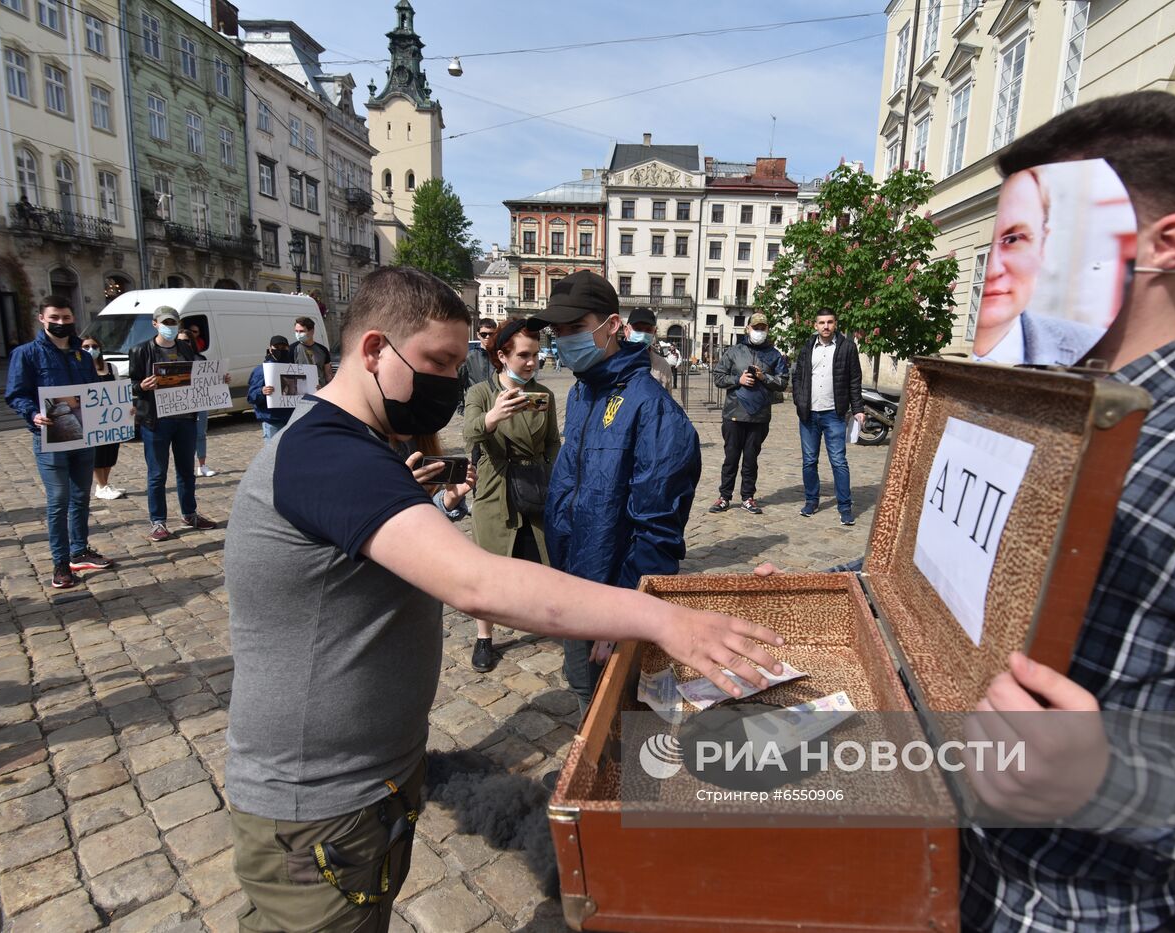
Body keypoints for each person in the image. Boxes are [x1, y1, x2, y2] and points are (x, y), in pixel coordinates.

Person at [775, 91, 1175, 931]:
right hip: (927, 869)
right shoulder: (1006, 407)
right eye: (1001, 235)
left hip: (1068, 907)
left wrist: (1106, 773)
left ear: (1163, 244)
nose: (997, 265)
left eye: (1028, 236)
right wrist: (817, 595)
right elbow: (918, 581)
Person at [222, 265, 783, 932]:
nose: (449, 380)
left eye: (455, 363)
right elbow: (477, 583)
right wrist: (663, 618)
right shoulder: (330, 454)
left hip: (367, 785)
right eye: (438, 362)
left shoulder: (363, 447)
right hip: (320, 802)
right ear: (373, 349)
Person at [528, 270, 703, 713]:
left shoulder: (652, 407)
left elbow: (658, 530)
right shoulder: (582, 392)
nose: (565, 340)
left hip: (613, 597)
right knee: (582, 684)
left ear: (611, 326)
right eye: (558, 331)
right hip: (573, 581)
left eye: (576, 327)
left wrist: (625, 613)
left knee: (615, 703)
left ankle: (608, 757)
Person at [462, 318, 560, 673]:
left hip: (535, 485)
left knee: (542, 559)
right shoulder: (481, 393)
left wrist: (555, 476)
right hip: (497, 486)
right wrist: (493, 417)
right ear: (502, 356)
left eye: (536, 354)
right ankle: (484, 637)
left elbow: (552, 442)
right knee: (488, 567)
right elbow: (470, 433)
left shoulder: (543, 395)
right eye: (523, 355)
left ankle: (550, 621)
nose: (532, 362)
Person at [4, 295, 115, 588]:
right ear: (42, 318)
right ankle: (61, 563)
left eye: (66, 318)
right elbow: (16, 394)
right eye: (54, 318)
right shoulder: (27, 354)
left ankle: (79, 550)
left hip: (84, 436)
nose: (61, 323)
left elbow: (94, 393)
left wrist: (117, 411)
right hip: (50, 438)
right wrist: (33, 414)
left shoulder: (82, 355)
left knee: (80, 497)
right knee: (58, 500)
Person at [974, 167, 1106, 365]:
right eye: (987, 247)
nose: (992, 270)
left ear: (1042, 245)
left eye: (1013, 239)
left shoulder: (1093, 348)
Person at [129, 305, 219, 542]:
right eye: (165, 323)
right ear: (155, 324)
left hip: (185, 419)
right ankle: (158, 521)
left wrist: (218, 380)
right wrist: (141, 386)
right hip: (156, 421)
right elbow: (131, 384)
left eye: (173, 323)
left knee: (186, 471)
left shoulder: (186, 348)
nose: (170, 327)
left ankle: (189, 513)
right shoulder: (140, 350)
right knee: (157, 473)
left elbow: (199, 376)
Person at [708, 312, 789, 515]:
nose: (759, 331)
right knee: (731, 458)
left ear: (767, 330)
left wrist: (764, 377)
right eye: (756, 328)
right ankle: (724, 497)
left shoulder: (774, 355)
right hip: (734, 414)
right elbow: (718, 377)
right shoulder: (734, 352)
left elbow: (783, 382)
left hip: (759, 416)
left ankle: (748, 497)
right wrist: (738, 380)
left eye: (763, 328)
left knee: (751, 459)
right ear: (748, 329)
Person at [789, 309, 863, 526]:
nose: (826, 326)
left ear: (835, 324)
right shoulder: (807, 348)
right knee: (809, 461)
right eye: (822, 322)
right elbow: (798, 376)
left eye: (830, 322)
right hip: (809, 414)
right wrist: (799, 400)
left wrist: (858, 409)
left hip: (834, 413)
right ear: (816, 325)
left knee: (839, 461)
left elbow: (854, 380)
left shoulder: (847, 347)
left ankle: (845, 507)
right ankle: (811, 501)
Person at [81, 334, 126, 500]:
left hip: (111, 417)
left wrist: (127, 407)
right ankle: (100, 485)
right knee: (98, 454)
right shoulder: (80, 369)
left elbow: (120, 389)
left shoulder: (111, 367)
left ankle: (105, 483)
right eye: (86, 347)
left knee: (110, 452)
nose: (91, 349)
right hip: (92, 419)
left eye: (94, 346)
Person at [178, 328, 217, 478]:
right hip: (180, 403)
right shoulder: (172, 359)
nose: (183, 343)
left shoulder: (200, 358)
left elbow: (209, 379)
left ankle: (202, 465)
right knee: (182, 437)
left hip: (199, 401)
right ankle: (186, 466)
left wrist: (221, 380)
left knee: (200, 434)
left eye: (186, 341)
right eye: (180, 341)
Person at [246, 335, 295, 443]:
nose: (280, 350)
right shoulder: (262, 370)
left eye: (283, 347)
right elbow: (251, 397)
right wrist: (261, 391)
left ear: (288, 348)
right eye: (276, 347)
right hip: (273, 421)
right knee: (273, 452)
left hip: (292, 419)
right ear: (270, 349)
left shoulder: (294, 368)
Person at [622, 306, 674, 390]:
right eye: (638, 329)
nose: (643, 335)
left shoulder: (662, 365)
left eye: (648, 329)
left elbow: (666, 396)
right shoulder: (613, 359)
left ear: (654, 332)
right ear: (626, 330)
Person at [458, 317, 496, 410]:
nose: (487, 337)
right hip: (475, 406)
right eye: (484, 334)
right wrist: (462, 409)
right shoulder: (468, 358)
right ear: (478, 335)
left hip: (497, 407)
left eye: (491, 334)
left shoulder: (502, 356)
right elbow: (458, 386)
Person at [293, 316, 332, 387]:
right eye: (296, 331)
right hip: (301, 390)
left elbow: (328, 375)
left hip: (320, 390)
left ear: (311, 331)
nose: (298, 334)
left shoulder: (323, 350)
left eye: (301, 331)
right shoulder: (292, 349)